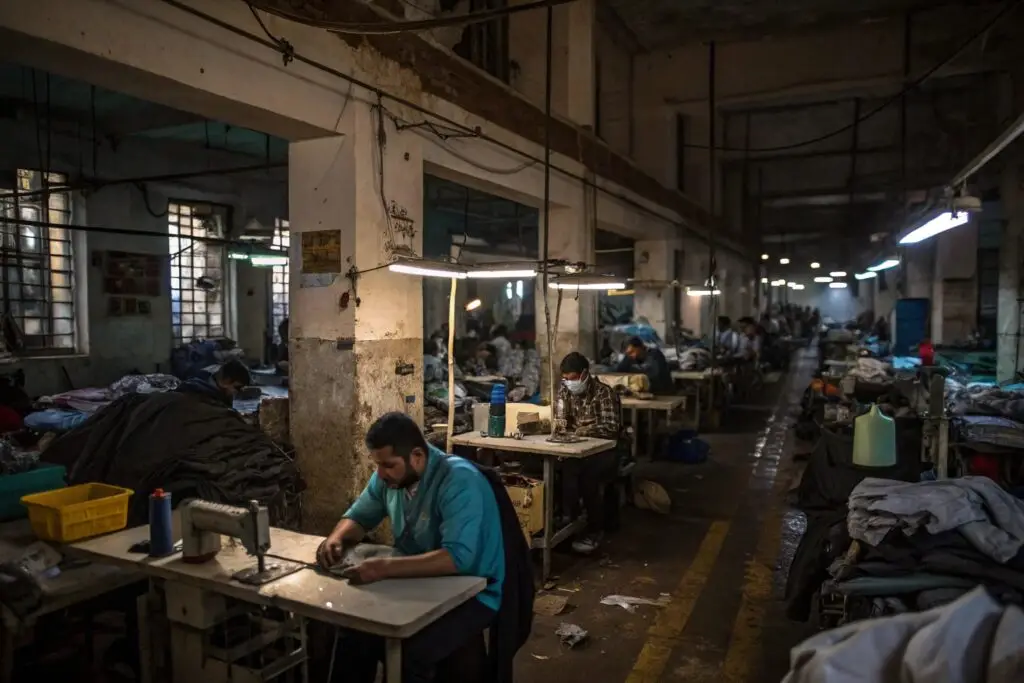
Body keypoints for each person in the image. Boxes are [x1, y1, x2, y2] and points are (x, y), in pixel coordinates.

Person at [317, 412, 506, 683]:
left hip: (474, 591)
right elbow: (359, 517)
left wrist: (382, 568)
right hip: (417, 581)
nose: (380, 473)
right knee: (351, 631)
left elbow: (457, 559)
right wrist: (336, 538)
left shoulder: (459, 480)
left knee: (410, 653)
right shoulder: (390, 479)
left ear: (417, 456)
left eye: (388, 465)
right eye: (378, 465)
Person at [556, 352, 622, 554]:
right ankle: (568, 520)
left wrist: (584, 430)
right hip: (578, 449)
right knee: (559, 468)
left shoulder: (604, 393)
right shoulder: (565, 391)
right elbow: (561, 420)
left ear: (584, 374)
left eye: (572, 378)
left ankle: (594, 529)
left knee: (588, 476)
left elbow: (611, 427)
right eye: (565, 379)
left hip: (605, 450)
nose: (569, 383)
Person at [176, 359, 251, 406]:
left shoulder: (212, 393)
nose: (238, 393)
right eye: (237, 388)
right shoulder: (204, 398)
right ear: (226, 381)